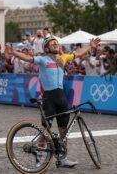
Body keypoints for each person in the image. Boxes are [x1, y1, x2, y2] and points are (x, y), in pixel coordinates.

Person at [5, 36, 101, 168]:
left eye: (57, 43)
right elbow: (28, 58)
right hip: (49, 97)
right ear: (46, 48)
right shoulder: (43, 60)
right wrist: (13, 52)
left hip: (61, 97)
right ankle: (39, 154)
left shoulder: (63, 58)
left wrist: (90, 46)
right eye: (53, 44)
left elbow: (78, 53)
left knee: (63, 130)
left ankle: (63, 158)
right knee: (46, 130)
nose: (56, 45)